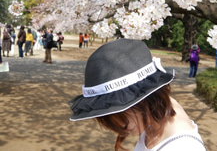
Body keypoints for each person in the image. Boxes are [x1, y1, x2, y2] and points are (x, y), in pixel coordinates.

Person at [69, 39, 206, 151]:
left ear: (141, 99)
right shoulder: (158, 113)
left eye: (114, 113)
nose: (117, 125)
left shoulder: (184, 147)